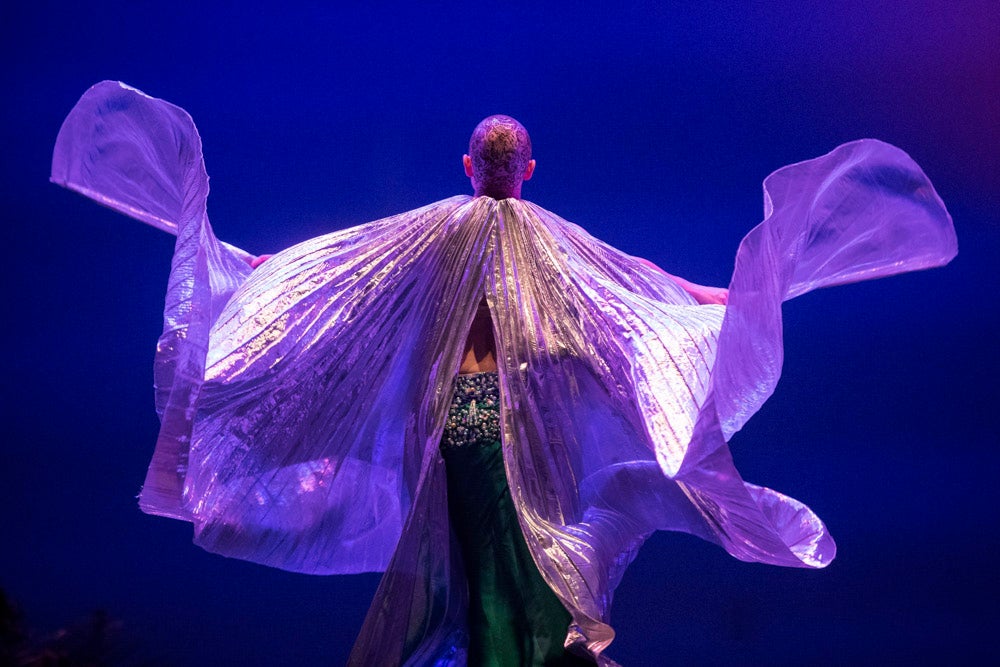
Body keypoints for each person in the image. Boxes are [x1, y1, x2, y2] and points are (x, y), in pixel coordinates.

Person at [51, 82, 957, 666]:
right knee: (515, 545)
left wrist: (246, 265)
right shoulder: (550, 240)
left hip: (458, 423)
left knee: (489, 547)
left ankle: (515, 643)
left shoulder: (432, 230)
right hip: (515, 422)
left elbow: (323, 268)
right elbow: (652, 288)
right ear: (525, 170)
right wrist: (742, 294)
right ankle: (523, 644)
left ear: (473, 167)